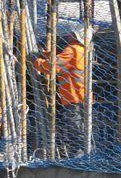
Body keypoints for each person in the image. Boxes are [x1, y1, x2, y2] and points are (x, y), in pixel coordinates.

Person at [34, 26, 94, 157]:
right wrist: (48, 55)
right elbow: (63, 62)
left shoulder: (72, 49)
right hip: (83, 97)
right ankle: (86, 156)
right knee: (82, 130)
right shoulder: (83, 51)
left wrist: (36, 62)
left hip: (73, 98)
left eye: (71, 33)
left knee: (75, 132)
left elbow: (52, 66)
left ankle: (79, 160)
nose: (68, 35)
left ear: (76, 36)